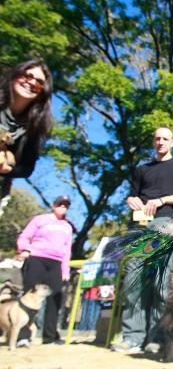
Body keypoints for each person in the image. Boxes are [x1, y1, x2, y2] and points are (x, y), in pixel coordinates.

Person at [111, 127, 173, 354]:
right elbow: (133, 195)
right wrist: (132, 201)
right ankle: (132, 337)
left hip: (164, 225)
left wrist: (162, 200)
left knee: (160, 282)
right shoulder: (141, 169)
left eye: (165, 138)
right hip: (139, 226)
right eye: (157, 138)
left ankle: (157, 339)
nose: (160, 142)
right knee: (134, 282)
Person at [15, 195, 74, 346]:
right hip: (37, 258)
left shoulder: (67, 226)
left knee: (55, 297)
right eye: (60, 204)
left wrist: (65, 271)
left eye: (66, 205)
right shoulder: (40, 220)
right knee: (29, 295)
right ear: (54, 205)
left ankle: (49, 336)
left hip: (56, 263)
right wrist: (24, 250)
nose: (63, 207)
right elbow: (24, 237)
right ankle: (23, 335)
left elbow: (67, 250)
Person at [0, 59, 53, 201]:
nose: (32, 82)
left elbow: (26, 168)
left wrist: (7, 169)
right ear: (15, 75)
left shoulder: (36, 127)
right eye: (27, 76)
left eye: (39, 82)